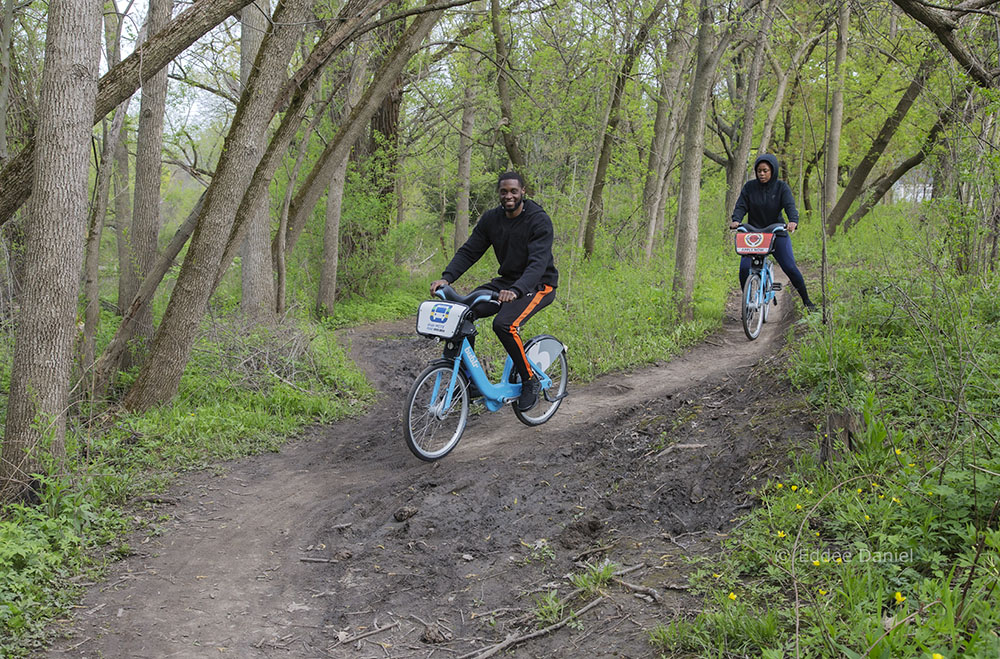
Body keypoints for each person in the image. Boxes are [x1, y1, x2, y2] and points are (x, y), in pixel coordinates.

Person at [430, 171, 559, 412]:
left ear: (523, 192)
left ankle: (529, 380)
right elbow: (470, 251)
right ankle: (470, 381)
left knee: (504, 324)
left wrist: (518, 290)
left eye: (513, 191)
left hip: (539, 284)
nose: (508, 196)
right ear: (499, 193)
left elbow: (537, 264)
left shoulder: (538, 220)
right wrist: (446, 278)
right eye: (504, 191)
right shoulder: (492, 219)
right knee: (463, 314)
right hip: (507, 282)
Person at [729, 154, 817, 312]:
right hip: (754, 234)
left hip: (776, 232)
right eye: (759, 171)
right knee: (744, 269)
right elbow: (741, 206)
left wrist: (793, 221)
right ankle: (748, 301)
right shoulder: (749, 187)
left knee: (790, 267)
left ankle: (807, 301)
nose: (761, 174)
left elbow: (790, 206)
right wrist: (736, 219)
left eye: (765, 171)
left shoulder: (781, 187)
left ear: (773, 171)